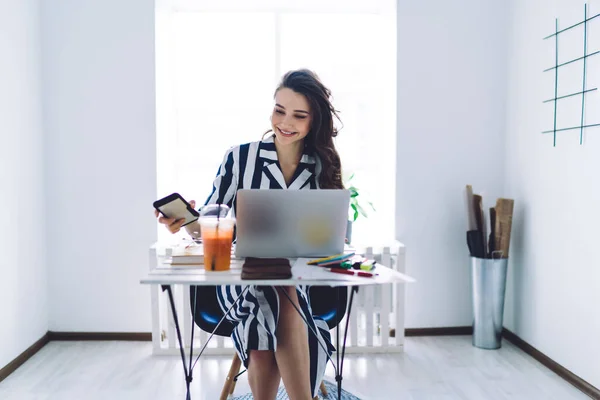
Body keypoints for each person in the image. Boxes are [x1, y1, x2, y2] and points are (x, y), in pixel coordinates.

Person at [155, 69, 344, 400]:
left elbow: (331, 234)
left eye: (299, 115)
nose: (285, 121)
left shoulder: (321, 165)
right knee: (275, 292)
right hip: (241, 280)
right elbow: (213, 225)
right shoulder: (239, 158)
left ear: (314, 120)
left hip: (302, 282)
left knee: (277, 301)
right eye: (278, 110)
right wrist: (184, 221)